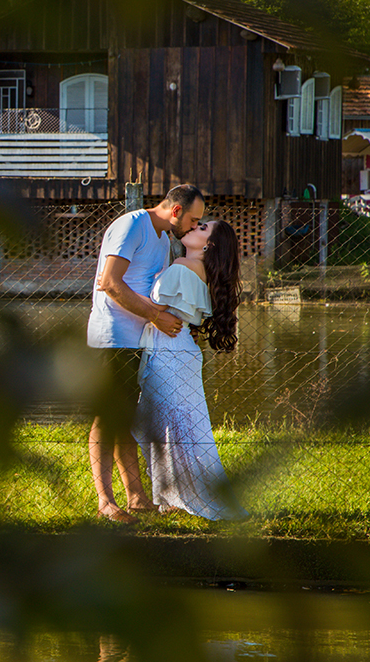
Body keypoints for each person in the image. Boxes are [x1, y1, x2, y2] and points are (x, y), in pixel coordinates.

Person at [87, 184, 206, 524]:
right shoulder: (133, 225)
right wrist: (156, 315)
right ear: (176, 211)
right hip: (112, 338)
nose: (195, 227)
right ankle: (105, 501)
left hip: (137, 339)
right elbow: (109, 283)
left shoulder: (161, 240)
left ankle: (137, 497)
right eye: (194, 220)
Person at [133, 219, 248, 520]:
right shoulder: (201, 273)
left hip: (170, 351)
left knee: (170, 426)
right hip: (180, 348)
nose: (194, 227)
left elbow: (152, 302)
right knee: (184, 425)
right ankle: (174, 495)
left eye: (202, 228)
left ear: (208, 245)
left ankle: (185, 495)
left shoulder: (183, 265)